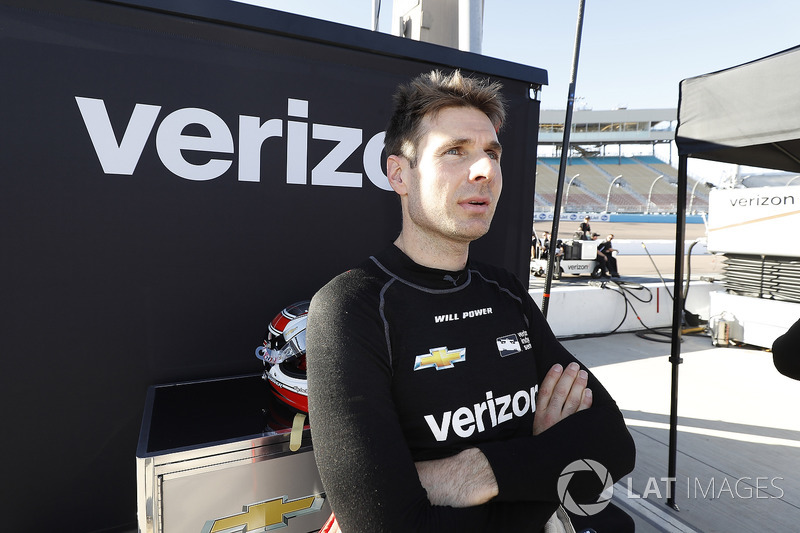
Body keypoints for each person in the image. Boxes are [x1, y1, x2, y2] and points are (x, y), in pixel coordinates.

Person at [306, 70, 635, 532]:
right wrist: (539, 459)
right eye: (455, 151)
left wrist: (474, 474)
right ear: (400, 173)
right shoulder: (352, 307)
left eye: (491, 153)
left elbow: (614, 445)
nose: (485, 171)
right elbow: (383, 523)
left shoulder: (504, 290)